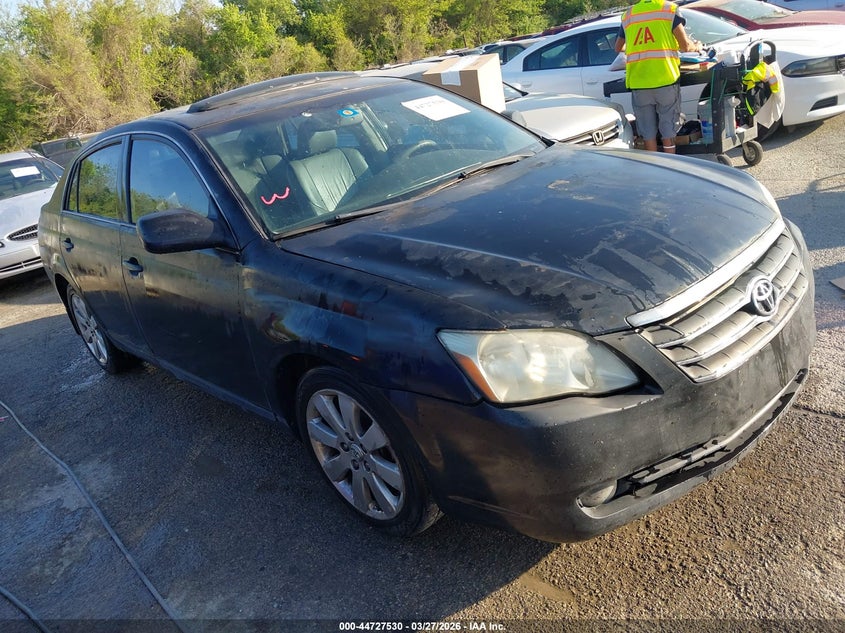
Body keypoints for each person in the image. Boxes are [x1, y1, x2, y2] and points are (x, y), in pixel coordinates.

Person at [614, 0, 702, 153]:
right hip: (665, 79)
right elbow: (685, 46)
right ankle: (671, 165)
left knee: (648, 132)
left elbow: (618, 47)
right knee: (668, 128)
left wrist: (639, 47)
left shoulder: (628, 15)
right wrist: (698, 46)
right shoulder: (668, 9)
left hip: (639, 82)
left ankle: (657, 169)